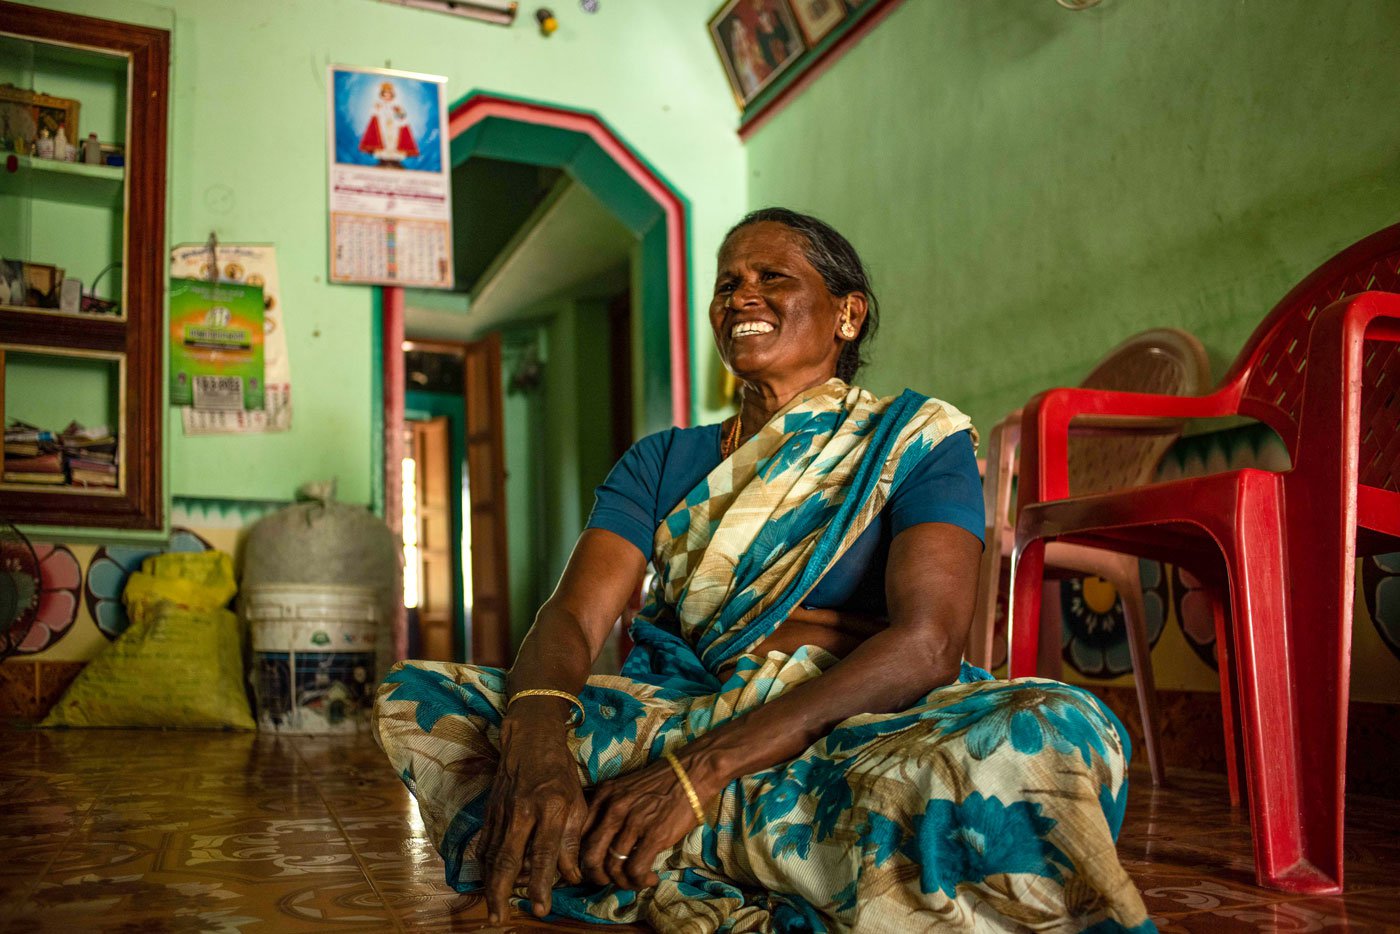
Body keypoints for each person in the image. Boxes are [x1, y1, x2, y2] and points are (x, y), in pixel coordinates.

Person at [374, 208, 1153, 932]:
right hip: (685, 711)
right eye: (727, 284)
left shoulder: (915, 440)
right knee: (424, 703)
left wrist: (695, 774)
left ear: (848, 314)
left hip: (850, 727)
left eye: (772, 277)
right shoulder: (661, 461)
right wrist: (538, 746)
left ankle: (651, 834)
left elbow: (926, 645)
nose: (741, 293)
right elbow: (574, 618)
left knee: (1050, 731)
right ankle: (803, 847)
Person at [358, 81, 419, 167]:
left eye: (389, 95)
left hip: (394, 128)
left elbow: (402, 118)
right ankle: (384, 158)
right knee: (384, 141)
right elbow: (374, 117)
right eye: (385, 95)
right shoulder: (378, 105)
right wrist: (376, 110)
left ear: (392, 95)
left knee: (394, 141)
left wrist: (399, 114)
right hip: (383, 128)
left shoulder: (396, 106)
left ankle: (393, 159)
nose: (387, 97)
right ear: (382, 95)